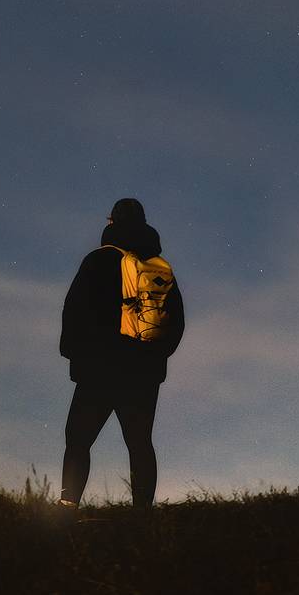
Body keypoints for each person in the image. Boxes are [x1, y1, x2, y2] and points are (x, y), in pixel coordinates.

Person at [57, 197, 185, 509]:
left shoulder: (98, 260)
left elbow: (74, 308)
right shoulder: (157, 267)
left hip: (98, 369)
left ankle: (68, 506)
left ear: (112, 222)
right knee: (140, 442)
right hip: (142, 372)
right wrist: (155, 358)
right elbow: (176, 321)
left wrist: (72, 352)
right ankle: (142, 512)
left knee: (78, 439)